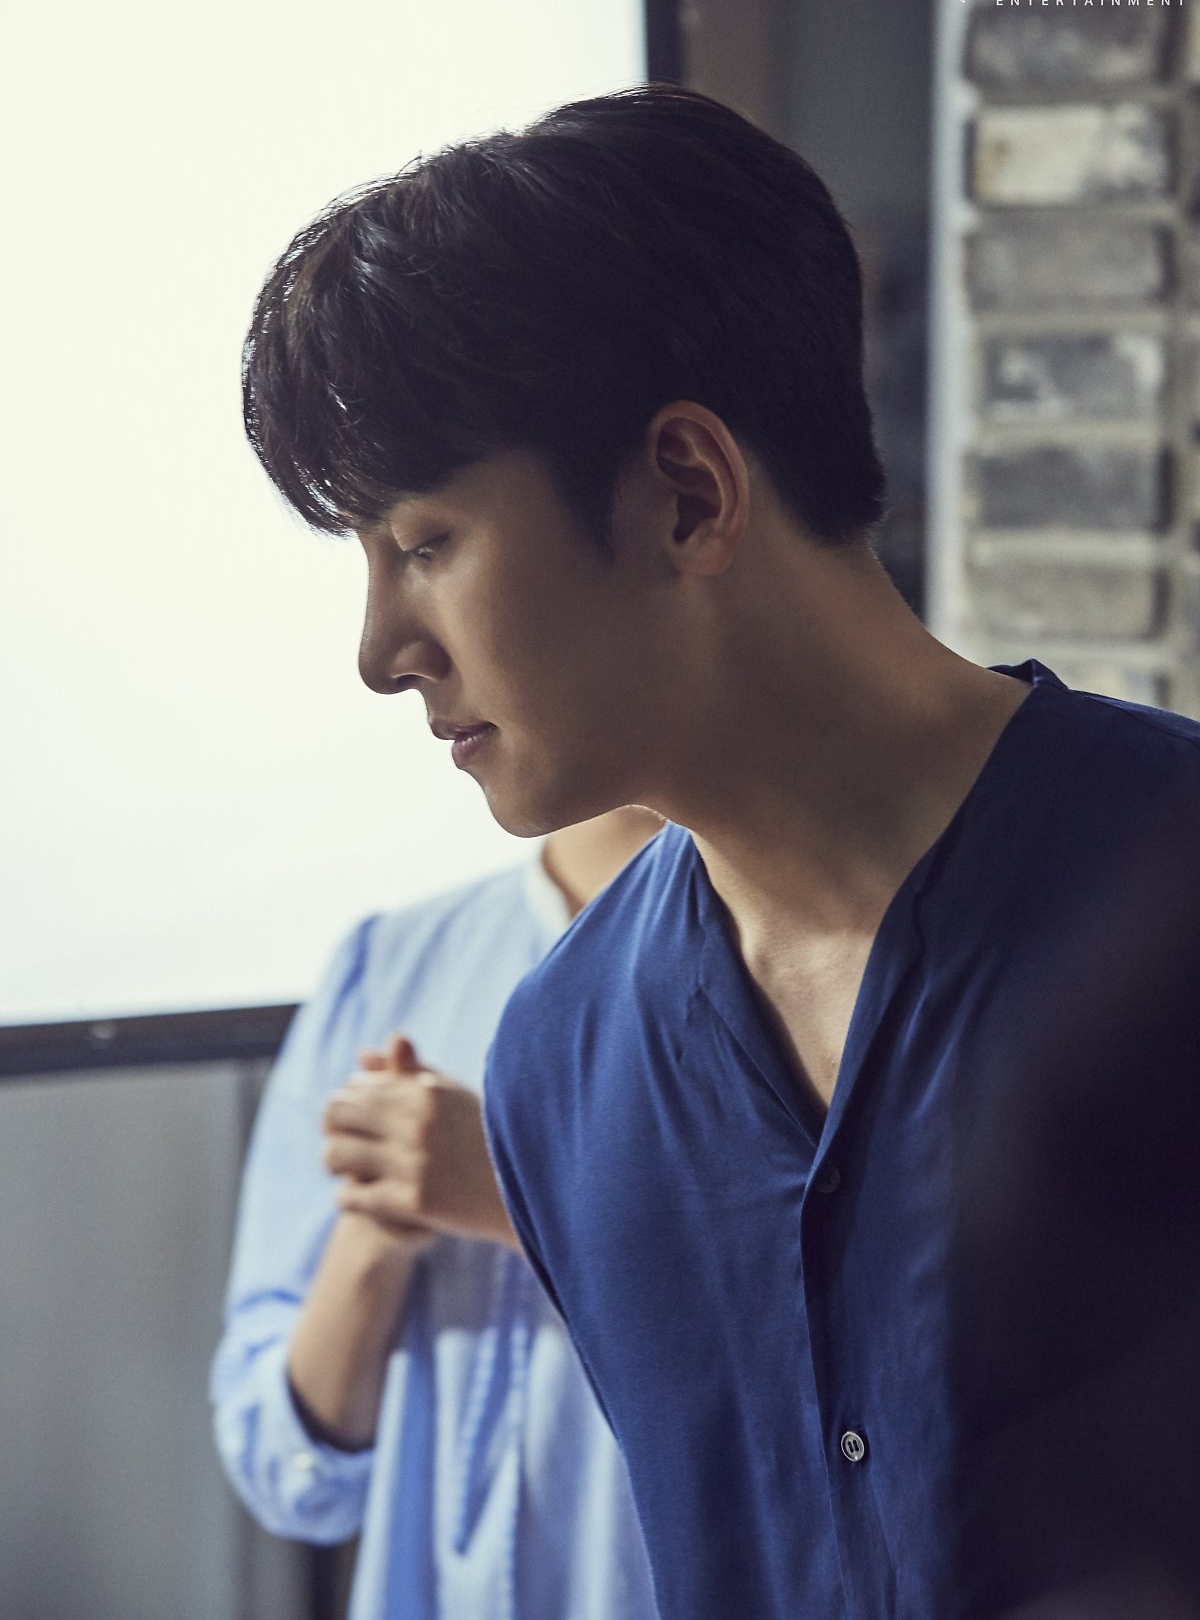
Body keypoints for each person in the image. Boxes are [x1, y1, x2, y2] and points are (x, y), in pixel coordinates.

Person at [237, 85, 1200, 1619]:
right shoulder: (563, 1065)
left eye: (424, 543)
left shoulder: (1168, 884)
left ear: (689, 493)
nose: (380, 652)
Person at [210, 809, 661, 1620]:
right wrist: (374, 1232)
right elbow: (288, 1474)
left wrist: (511, 1192)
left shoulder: (814, 957)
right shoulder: (388, 964)